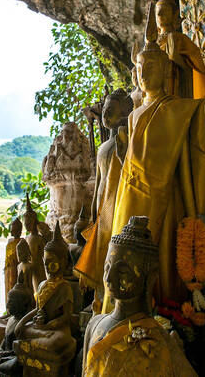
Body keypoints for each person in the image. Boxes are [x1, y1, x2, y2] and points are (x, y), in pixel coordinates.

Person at [110, 0, 205, 303]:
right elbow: (131, 158)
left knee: (161, 256)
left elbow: (196, 159)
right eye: (140, 68)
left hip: (165, 195)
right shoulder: (134, 114)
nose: (144, 74)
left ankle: (164, 308)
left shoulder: (180, 109)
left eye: (151, 67)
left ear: (166, 68)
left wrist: (194, 208)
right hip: (131, 197)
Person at [82, 216, 197, 376]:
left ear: (149, 278)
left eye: (122, 272)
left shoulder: (158, 342)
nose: (109, 278)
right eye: (107, 267)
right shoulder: (94, 324)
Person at [75, 88, 132, 305]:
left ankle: (112, 298)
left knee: (114, 251)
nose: (106, 116)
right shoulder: (102, 148)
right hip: (101, 206)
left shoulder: (125, 141)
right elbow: (99, 181)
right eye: (105, 111)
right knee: (100, 251)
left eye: (111, 111)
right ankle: (99, 298)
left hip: (116, 203)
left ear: (126, 112)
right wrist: (91, 211)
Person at [14, 221, 77, 376]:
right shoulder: (42, 284)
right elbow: (38, 309)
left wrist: (48, 326)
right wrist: (23, 321)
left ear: (63, 263)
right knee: (20, 331)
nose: (48, 267)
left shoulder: (65, 287)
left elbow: (67, 316)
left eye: (52, 263)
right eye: (46, 263)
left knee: (55, 341)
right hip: (41, 328)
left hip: (56, 329)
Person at [156, 0, 205, 99]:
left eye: (164, 10)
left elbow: (195, 67)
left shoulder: (179, 38)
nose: (159, 14)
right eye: (157, 12)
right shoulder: (155, 42)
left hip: (177, 87)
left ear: (175, 15)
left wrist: (176, 59)